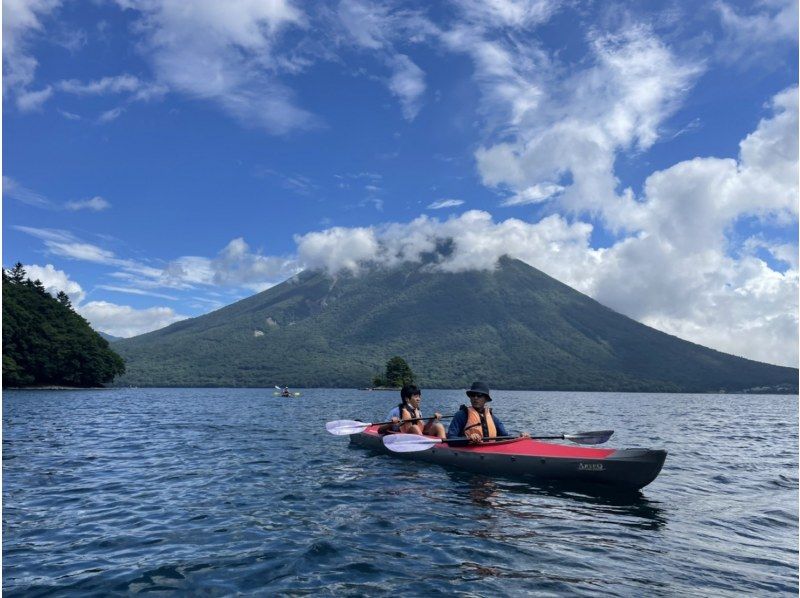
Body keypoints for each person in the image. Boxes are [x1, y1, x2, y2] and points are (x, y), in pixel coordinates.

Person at [447, 381, 528, 444]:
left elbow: (505, 436)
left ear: (485, 399)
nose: (475, 398)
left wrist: (520, 437)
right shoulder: (461, 415)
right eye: (473, 395)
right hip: (468, 448)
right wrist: (468, 439)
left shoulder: (493, 418)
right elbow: (451, 438)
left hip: (488, 449)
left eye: (479, 395)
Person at [379, 384, 446, 438]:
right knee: (415, 427)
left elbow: (423, 429)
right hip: (403, 437)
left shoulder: (418, 411)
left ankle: (444, 447)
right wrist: (391, 423)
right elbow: (380, 430)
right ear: (407, 399)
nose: (419, 399)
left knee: (439, 426)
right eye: (416, 397)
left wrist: (432, 419)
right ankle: (425, 446)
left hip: (418, 435)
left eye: (419, 396)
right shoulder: (395, 412)